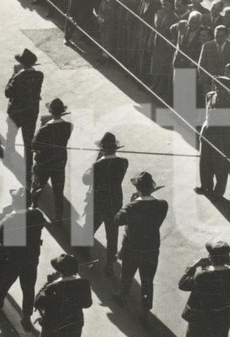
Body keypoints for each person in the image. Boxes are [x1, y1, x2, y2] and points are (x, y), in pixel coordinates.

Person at [0, 190, 48, 326]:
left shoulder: (9, 218)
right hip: (31, 259)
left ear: (15, 203)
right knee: (28, 289)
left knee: (4, 281)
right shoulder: (37, 215)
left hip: (12, 259)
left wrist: (1, 216)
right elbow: (41, 223)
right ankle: (26, 317)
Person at [115, 171, 169, 317]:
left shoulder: (132, 207)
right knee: (147, 280)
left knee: (126, 275)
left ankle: (122, 297)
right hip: (151, 248)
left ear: (137, 189)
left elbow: (118, 220)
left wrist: (131, 202)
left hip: (132, 248)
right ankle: (145, 309)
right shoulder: (162, 205)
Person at [83, 132, 129, 269]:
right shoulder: (124, 162)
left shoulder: (97, 165)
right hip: (114, 203)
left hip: (97, 203)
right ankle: (110, 263)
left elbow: (85, 180)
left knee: (89, 230)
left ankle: (86, 256)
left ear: (102, 149)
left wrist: (97, 160)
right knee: (112, 236)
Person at [30, 98, 72, 224]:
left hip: (44, 163)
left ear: (50, 112)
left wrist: (42, 125)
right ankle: (59, 218)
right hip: (59, 163)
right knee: (58, 192)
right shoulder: (69, 126)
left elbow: (34, 145)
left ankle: (33, 208)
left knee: (37, 187)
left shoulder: (44, 129)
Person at [4, 48, 44, 170]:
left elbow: (7, 93)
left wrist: (13, 75)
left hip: (16, 111)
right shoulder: (39, 75)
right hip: (31, 111)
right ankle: (29, 164)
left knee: (11, 134)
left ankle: (8, 156)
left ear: (22, 64)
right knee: (29, 139)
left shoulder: (18, 77)